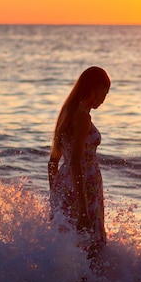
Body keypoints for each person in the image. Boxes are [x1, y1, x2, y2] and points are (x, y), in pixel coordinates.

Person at [48, 66, 110, 249]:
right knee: (91, 246)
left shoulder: (66, 112)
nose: (104, 100)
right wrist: (83, 208)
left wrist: (55, 195)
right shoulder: (83, 117)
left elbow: (53, 162)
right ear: (93, 89)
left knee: (71, 245)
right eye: (104, 92)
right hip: (84, 188)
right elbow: (76, 160)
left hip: (66, 186)